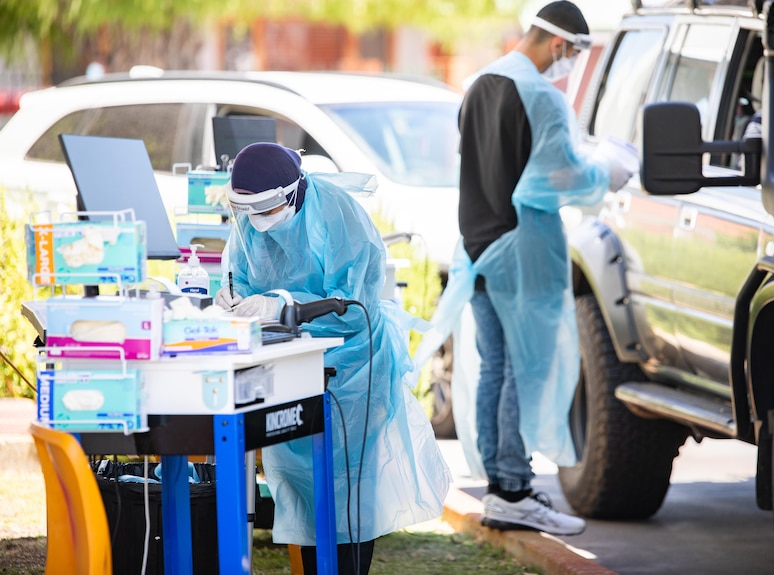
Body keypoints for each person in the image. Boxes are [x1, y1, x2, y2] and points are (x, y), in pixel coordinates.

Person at [414, 1, 636, 536]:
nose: (569, 64)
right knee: (522, 369)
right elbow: (554, 178)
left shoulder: (477, 84)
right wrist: (609, 171)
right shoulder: (540, 96)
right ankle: (512, 488)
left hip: (478, 249)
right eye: (573, 53)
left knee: (495, 368)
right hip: (520, 250)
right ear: (560, 45)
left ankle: (500, 487)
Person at [215, 143, 451, 574]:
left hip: (354, 366)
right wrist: (236, 298)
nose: (259, 224)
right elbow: (244, 276)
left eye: (266, 210)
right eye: (248, 211)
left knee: (350, 492)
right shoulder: (251, 222)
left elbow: (351, 306)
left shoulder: (337, 216)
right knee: (305, 492)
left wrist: (281, 302)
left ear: (292, 193)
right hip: (290, 361)